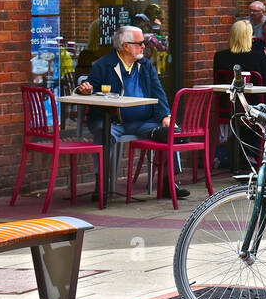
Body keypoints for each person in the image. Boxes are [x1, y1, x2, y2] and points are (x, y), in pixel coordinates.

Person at [78, 25, 188, 203]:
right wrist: (84, 89)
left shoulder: (145, 65)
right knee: (104, 132)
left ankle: (169, 182)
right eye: (140, 43)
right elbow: (89, 88)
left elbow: (158, 91)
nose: (144, 46)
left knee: (170, 130)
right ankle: (101, 185)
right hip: (112, 121)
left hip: (143, 121)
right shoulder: (103, 65)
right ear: (125, 46)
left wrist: (165, 115)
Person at [213, 20, 266, 170]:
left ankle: (244, 154)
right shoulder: (258, 57)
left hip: (226, 106)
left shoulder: (220, 57)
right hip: (253, 108)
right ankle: (257, 153)